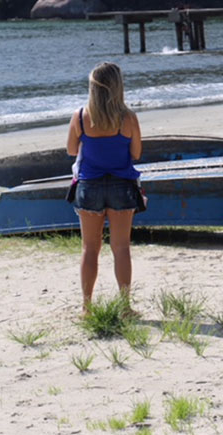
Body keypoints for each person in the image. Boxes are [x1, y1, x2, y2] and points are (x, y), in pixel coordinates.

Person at [66, 62, 143, 314]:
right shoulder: (128, 117)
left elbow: (70, 150)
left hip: (90, 185)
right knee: (121, 248)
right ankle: (125, 306)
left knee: (90, 248)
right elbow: (136, 153)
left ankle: (87, 307)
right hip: (121, 184)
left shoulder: (80, 116)